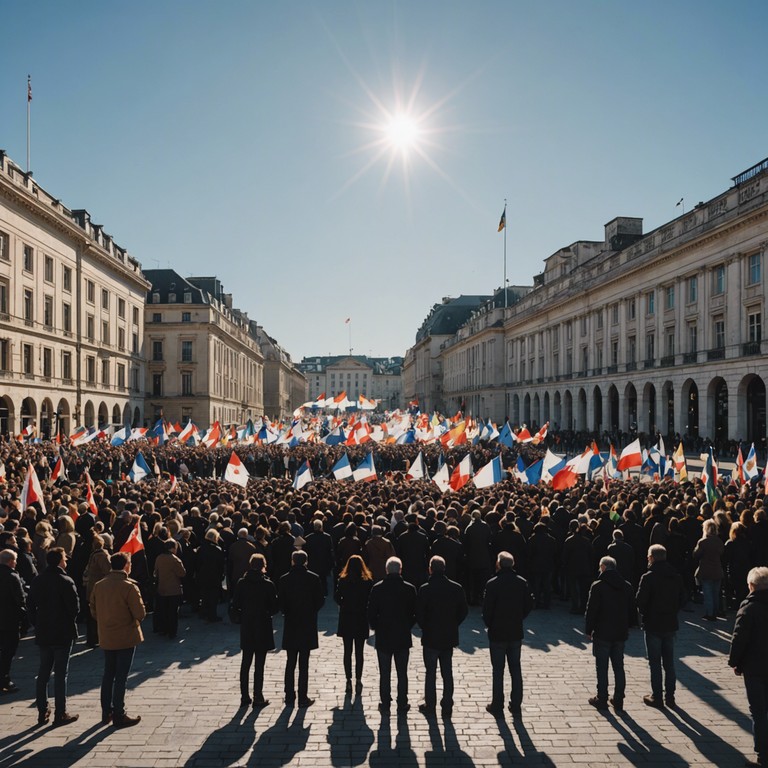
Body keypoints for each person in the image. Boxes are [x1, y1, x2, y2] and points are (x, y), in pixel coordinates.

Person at [90, 551, 146, 728]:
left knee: (108, 674)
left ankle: (106, 711)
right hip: (125, 636)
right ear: (126, 565)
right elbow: (140, 613)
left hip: (107, 635)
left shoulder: (99, 585)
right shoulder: (128, 586)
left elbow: (93, 609)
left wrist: (105, 620)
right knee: (121, 676)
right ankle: (119, 714)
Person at [28, 548, 80, 725]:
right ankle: (61, 712)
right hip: (62, 632)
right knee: (60, 673)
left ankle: (42, 710)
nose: (66, 561)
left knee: (43, 672)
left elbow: (30, 606)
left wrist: (37, 623)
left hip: (44, 631)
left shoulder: (38, 580)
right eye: (65, 558)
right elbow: (74, 608)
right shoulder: (65, 580)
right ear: (59, 561)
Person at [482, 551, 534, 717]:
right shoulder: (522, 582)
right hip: (515, 630)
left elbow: (487, 610)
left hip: (497, 632)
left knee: (498, 670)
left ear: (498, 564)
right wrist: (519, 617)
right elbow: (529, 604)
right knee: (515, 669)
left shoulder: (492, 584)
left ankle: (497, 704)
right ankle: (516, 703)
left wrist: (490, 624)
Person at [415, 555, 468, 717]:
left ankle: (430, 705)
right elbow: (463, 611)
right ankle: (447, 705)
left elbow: (419, 614)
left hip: (431, 636)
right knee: (447, 672)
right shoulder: (456, 588)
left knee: (430, 672)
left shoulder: (425, 588)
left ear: (430, 569)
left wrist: (426, 627)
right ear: (444, 568)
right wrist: (453, 624)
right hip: (448, 635)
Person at [635, 544, 687, 708]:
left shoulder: (648, 577)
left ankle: (657, 696)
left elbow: (640, 602)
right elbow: (683, 599)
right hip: (670, 623)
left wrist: (645, 612)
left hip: (653, 624)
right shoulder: (675, 576)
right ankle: (670, 697)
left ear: (652, 558)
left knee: (655, 662)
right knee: (669, 663)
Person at [728, 566, 768, 768]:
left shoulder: (749, 608)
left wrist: (734, 661)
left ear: (752, 586)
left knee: (758, 711)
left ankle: (763, 756)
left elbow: (739, 638)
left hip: (755, 665)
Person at [584, 555, 635, 711]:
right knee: (618, 666)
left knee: (602, 666)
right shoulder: (626, 586)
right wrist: (631, 625)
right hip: (620, 631)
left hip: (603, 631)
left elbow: (591, 610)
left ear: (604, 567)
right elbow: (632, 609)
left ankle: (602, 697)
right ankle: (618, 699)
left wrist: (588, 630)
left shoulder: (598, 586)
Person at [367, 556, 417, 713]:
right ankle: (402, 702)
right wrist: (407, 625)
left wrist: (377, 627)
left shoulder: (378, 588)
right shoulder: (409, 588)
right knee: (402, 673)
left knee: (385, 672)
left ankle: (385, 703)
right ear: (400, 570)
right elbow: (415, 612)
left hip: (384, 635)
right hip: (402, 634)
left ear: (386, 570)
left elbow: (371, 613)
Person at [277, 550, 324, 707]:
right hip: (307, 622)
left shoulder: (284, 579)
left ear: (292, 561)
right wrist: (311, 611)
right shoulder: (313, 578)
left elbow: (281, 603)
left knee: (290, 662)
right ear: (306, 561)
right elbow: (320, 600)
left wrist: (287, 611)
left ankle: (289, 695)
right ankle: (303, 697)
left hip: (291, 622)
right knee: (304, 663)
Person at [231, 553, 279, 708]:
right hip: (262, 624)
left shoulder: (241, 583)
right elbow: (274, 607)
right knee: (259, 663)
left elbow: (235, 603)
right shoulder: (268, 584)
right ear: (263, 565)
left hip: (247, 624)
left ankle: (244, 696)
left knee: (246, 662)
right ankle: (258, 695)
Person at [334, 554, 374, 693]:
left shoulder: (343, 580)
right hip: (361, 617)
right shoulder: (367, 581)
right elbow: (371, 599)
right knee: (359, 652)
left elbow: (337, 597)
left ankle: (348, 679)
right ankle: (358, 679)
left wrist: (344, 603)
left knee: (347, 651)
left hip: (347, 617)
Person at [0, 548, 27, 695]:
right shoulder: (12, 576)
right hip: (9, 620)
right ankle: (4, 678)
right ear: (10, 561)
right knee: (8, 651)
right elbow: (20, 600)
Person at [693, 518, 725, 621]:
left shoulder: (703, 542)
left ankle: (709, 614)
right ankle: (715, 611)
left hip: (706, 570)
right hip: (717, 570)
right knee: (715, 593)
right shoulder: (719, 541)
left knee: (708, 594)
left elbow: (696, 555)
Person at [153, 539, 186, 639]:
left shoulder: (159, 558)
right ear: (172, 548)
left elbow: (155, 572)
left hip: (162, 589)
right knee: (173, 612)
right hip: (173, 590)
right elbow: (182, 573)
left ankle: (164, 629)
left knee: (164, 611)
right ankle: (172, 631)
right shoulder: (175, 559)